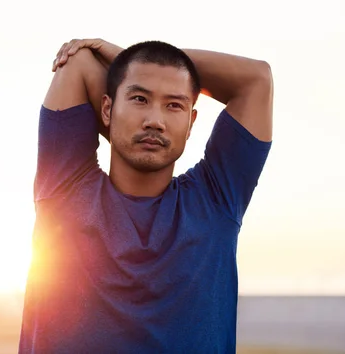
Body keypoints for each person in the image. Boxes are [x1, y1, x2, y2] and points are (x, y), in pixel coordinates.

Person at [18, 38, 273, 353]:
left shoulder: (217, 197)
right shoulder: (65, 187)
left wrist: (132, 61)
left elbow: (257, 79)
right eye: (139, 99)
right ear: (107, 109)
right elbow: (79, 62)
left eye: (174, 105)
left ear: (191, 122)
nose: (155, 120)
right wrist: (134, 65)